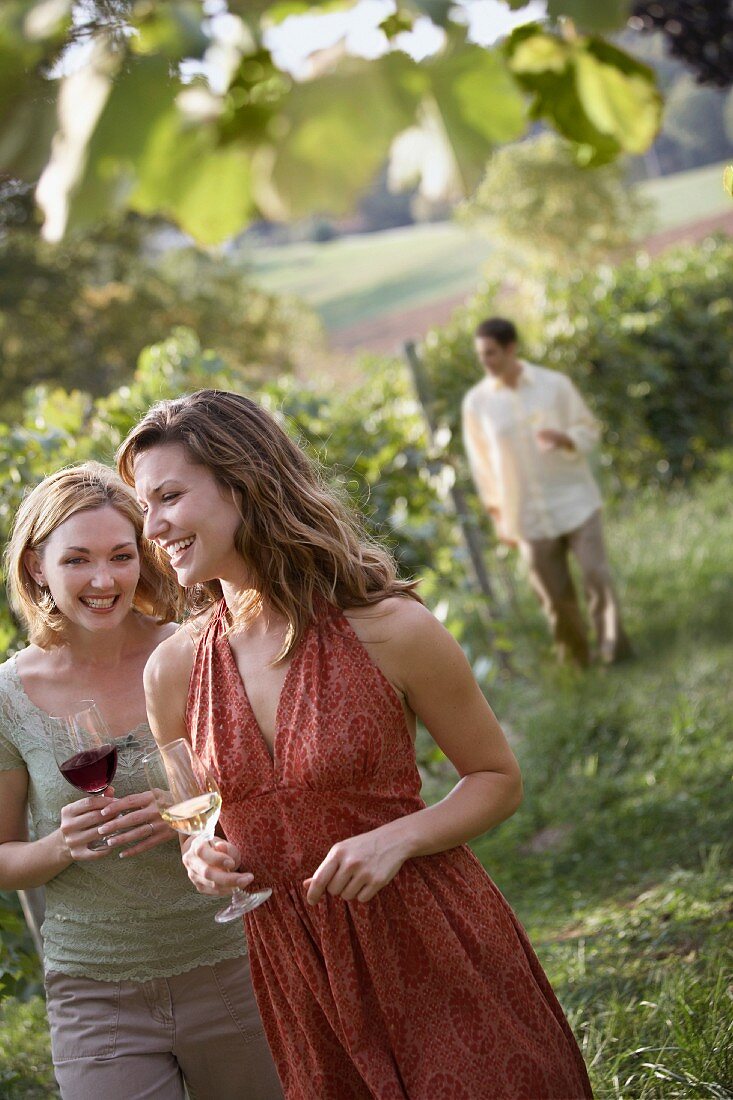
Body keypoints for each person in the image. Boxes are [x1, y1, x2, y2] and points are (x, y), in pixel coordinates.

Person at [118, 389, 593, 1100]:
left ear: (241, 482)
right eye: (143, 507)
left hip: (427, 941)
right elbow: (198, 825)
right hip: (296, 972)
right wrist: (201, 858)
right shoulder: (174, 669)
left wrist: (396, 839)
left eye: (169, 497)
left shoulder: (389, 629)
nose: (151, 527)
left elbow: (497, 778)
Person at [0, 463, 282, 1100]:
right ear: (37, 566)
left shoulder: (199, 653)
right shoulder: (8, 698)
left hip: (232, 964)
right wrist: (58, 848)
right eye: (77, 560)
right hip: (95, 993)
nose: (104, 581)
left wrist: (187, 817)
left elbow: (272, 799)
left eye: (121, 556)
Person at [462, 316, 633, 667]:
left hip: (575, 501)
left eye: (491, 353)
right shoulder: (476, 404)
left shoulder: (554, 386)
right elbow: (483, 468)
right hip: (526, 515)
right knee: (555, 599)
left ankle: (615, 655)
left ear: (511, 349)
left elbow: (588, 429)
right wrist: (499, 517)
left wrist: (566, 438)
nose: (486, 362)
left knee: (597, 577)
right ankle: (577, 664)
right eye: (481, 355)